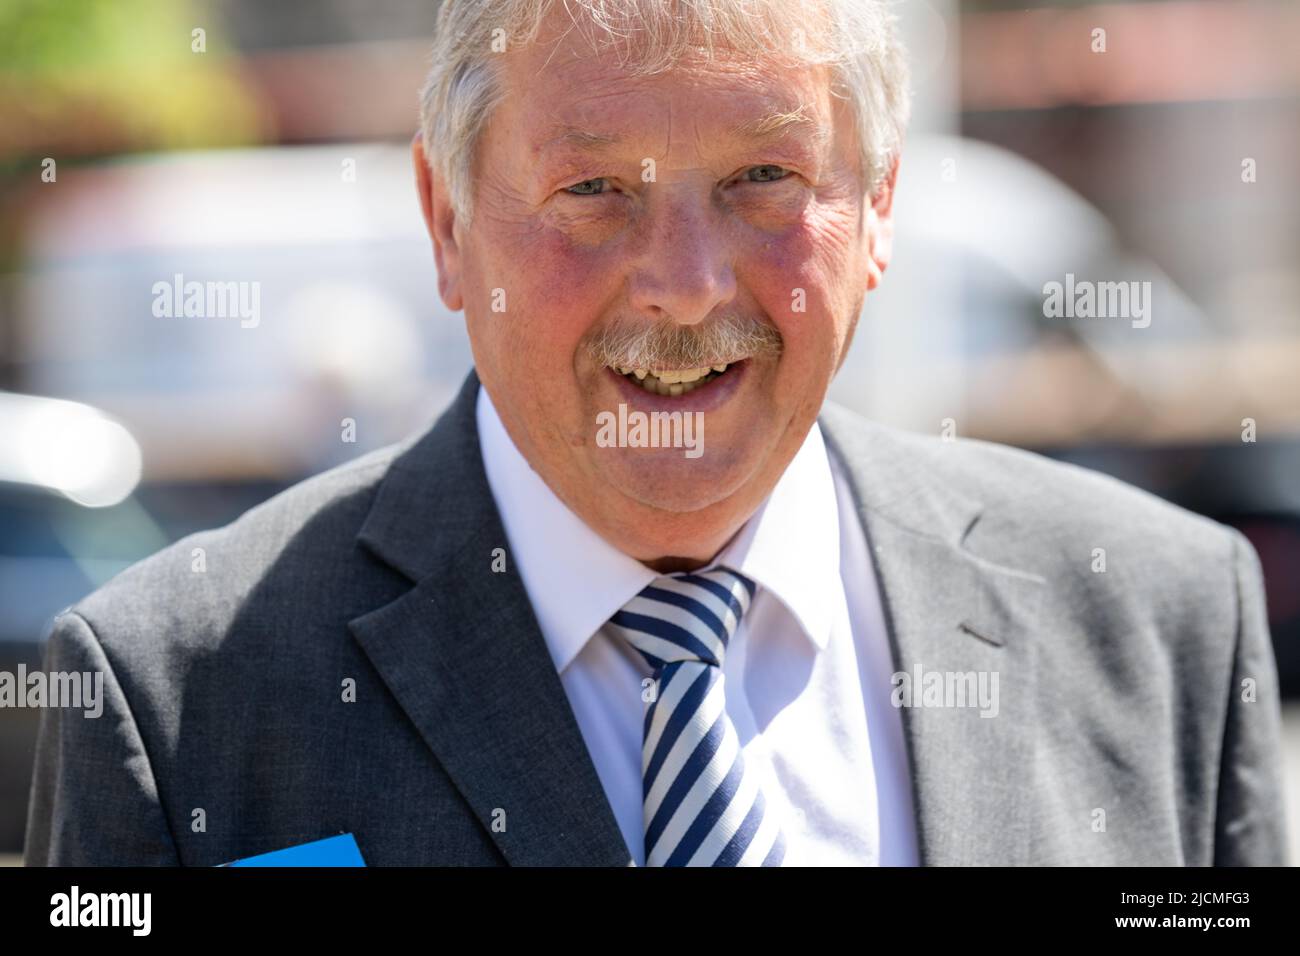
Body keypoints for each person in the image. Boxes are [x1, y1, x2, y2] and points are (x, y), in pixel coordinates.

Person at [25, 0, 1286, 866]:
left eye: (762, 179)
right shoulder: (182, 697)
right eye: (592, 191)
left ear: (880, 204)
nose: (683, 284)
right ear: (446, 219)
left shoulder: (1160, 622)